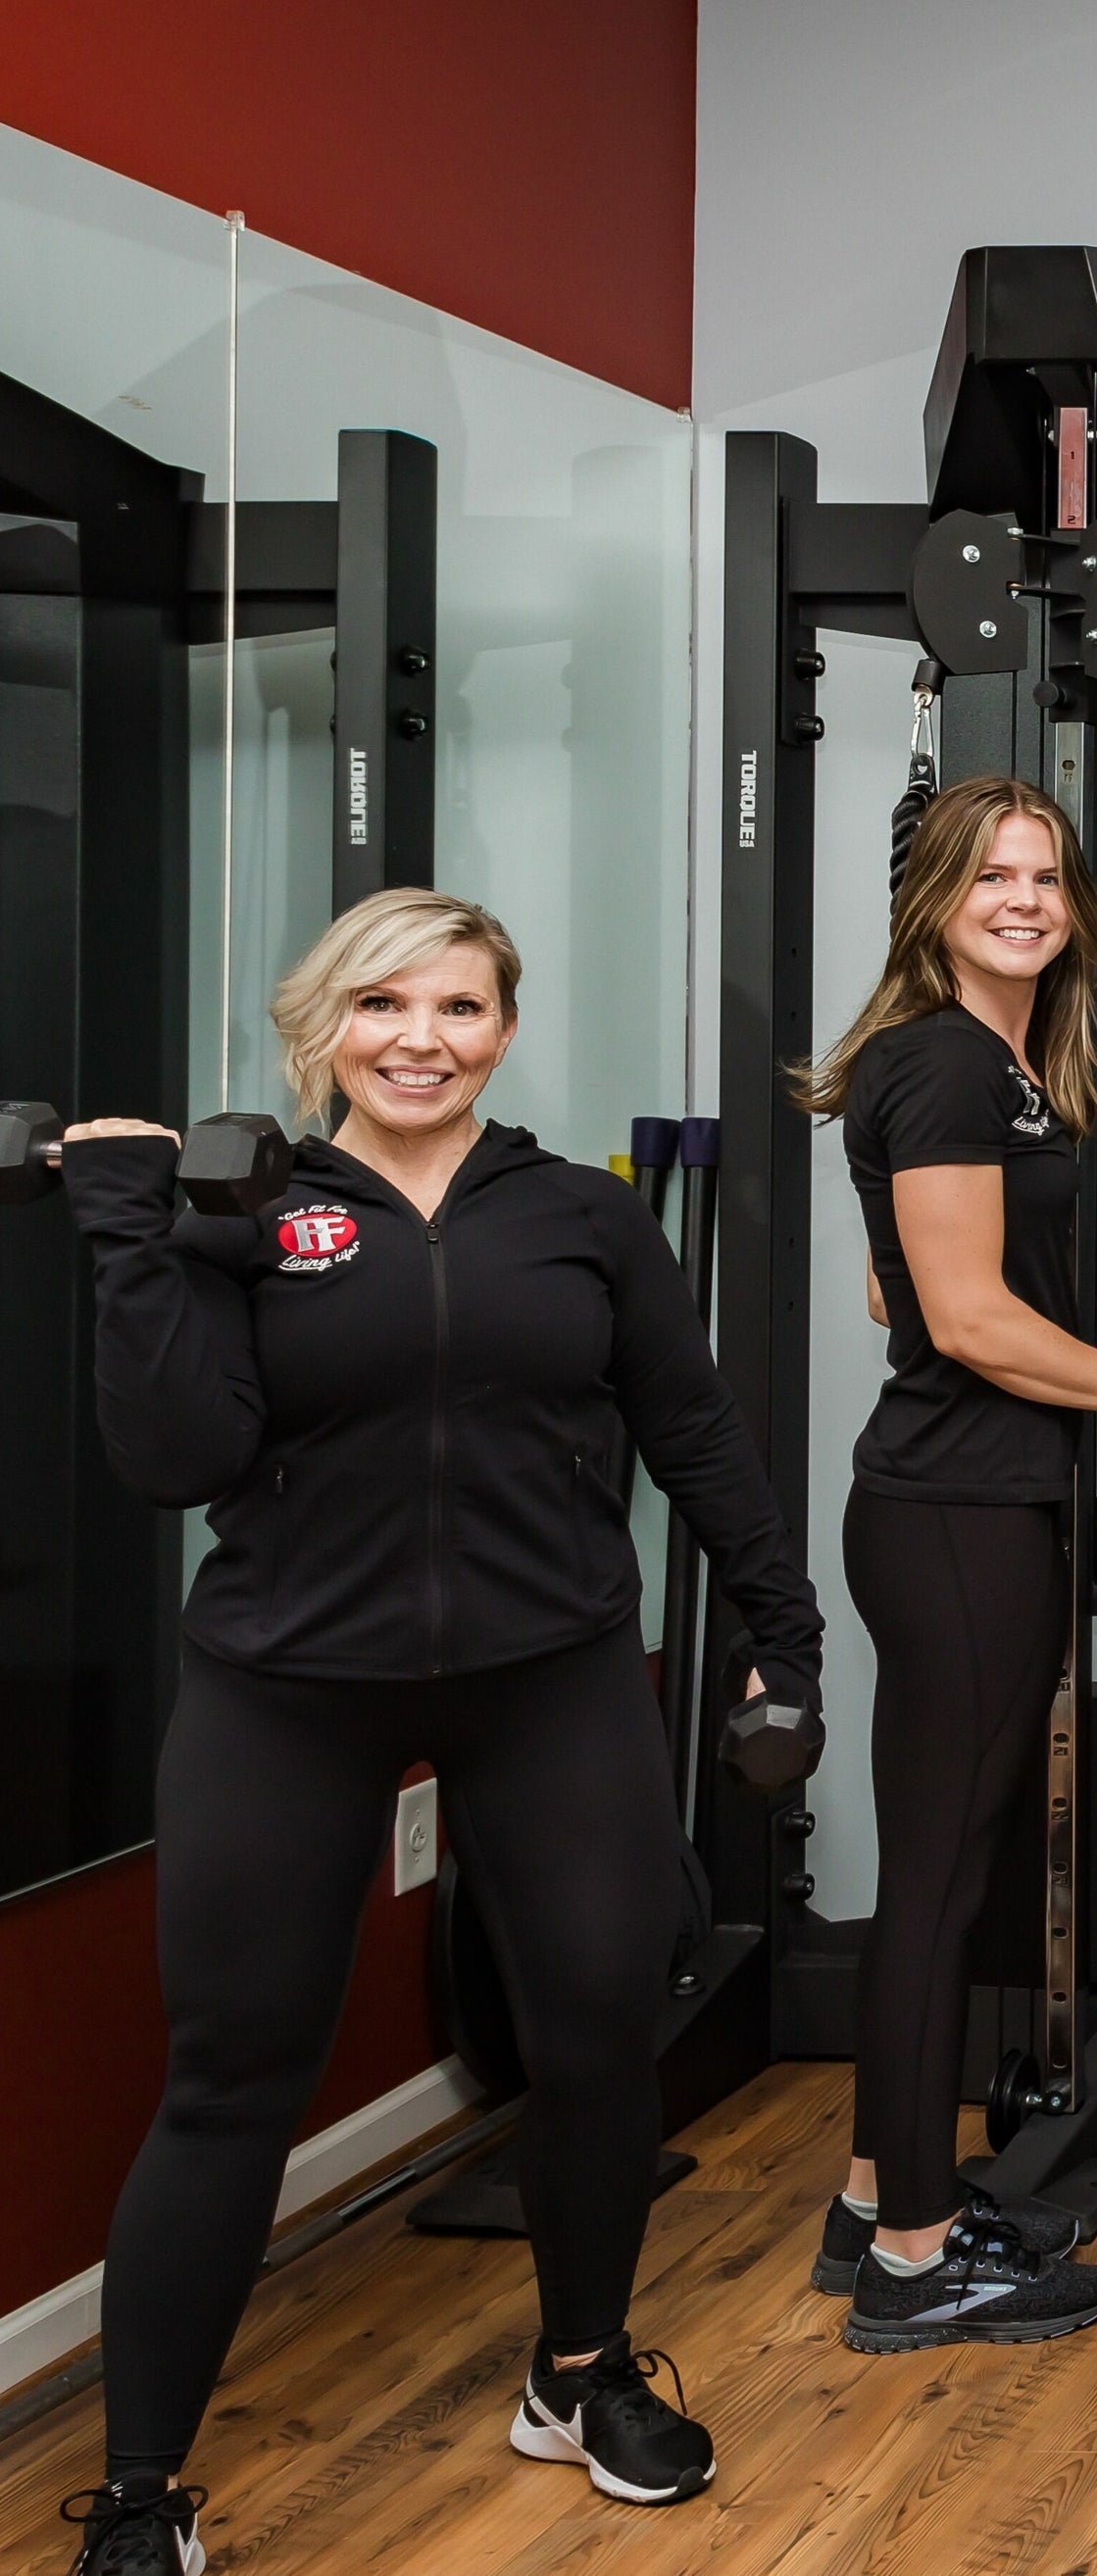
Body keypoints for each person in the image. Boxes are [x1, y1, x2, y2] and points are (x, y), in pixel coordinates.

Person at [53, 891, 823, 2570]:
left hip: (550, 1675)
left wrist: (789, 1638)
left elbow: (694, 1429)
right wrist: (130, 1240)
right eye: (384, 1005)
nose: (422, 1039)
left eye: (461, 1007)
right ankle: (138, 2493)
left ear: (505, 1029)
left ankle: (580, 2372)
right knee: (231, 2080)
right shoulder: (244, 1215)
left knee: (599, 2037)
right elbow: (176, 1460)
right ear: (322, 1027)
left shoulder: (580, 1217)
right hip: (287, 1690)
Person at [791, 775, 1097, 2354]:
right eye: (991, 876)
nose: (1025, 901)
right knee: (935, 1889)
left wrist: (1051, 1335)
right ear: (935, 898)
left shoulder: (994, 1067)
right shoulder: (939, 1062)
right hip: (956, 1518)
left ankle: (877, 2200)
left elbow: (907, 1292)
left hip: (967, 1501)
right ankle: (917, 2265)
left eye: (1046, 878)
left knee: (948, 1876)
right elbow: (967, 1317)